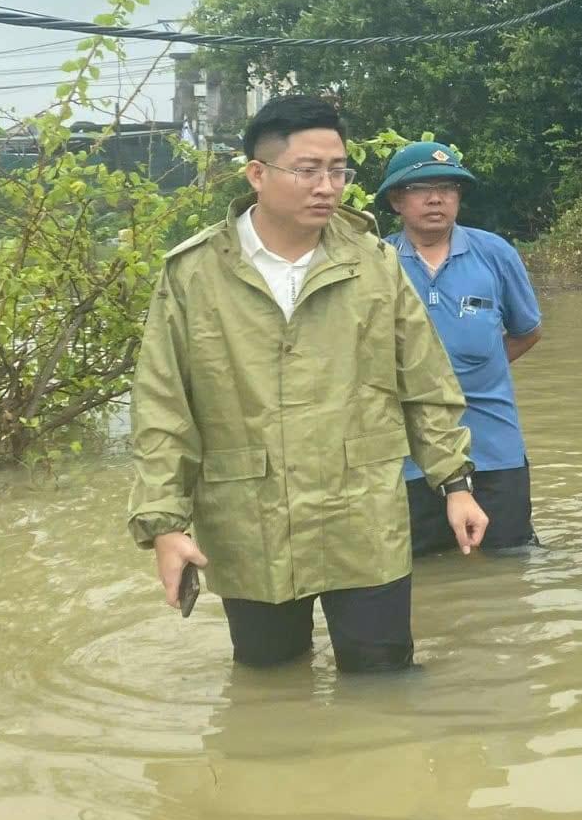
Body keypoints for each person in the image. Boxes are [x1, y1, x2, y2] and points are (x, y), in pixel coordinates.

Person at [126, 96, 483, 674]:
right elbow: (164, 408)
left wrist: (456, 484)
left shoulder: (374, 264)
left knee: (383, 680)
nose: (328, 186)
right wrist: (165, 526)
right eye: (308, 170)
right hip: (250, 520)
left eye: (338, 170)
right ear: (258, 175)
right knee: (270, 680)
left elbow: (426, 383)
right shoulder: (193, 275)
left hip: (361, 515)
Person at [379, 140, 543, 554]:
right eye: (420, 188)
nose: (436, 198)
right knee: (420, 570)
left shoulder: (494, 253)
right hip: (407, 455)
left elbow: (527, 331)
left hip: (494, 446)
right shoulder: (376, 262)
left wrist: (478, 370)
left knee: (509, 564)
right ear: (397, 200)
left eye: (448, 188)